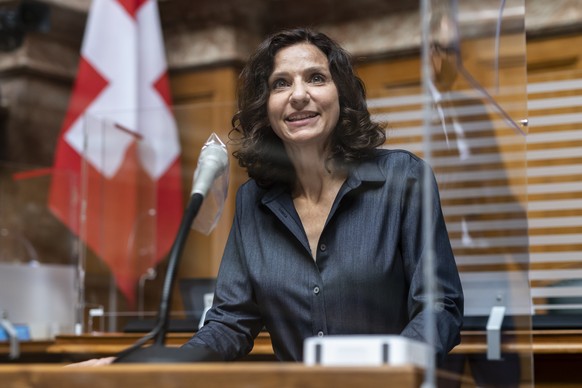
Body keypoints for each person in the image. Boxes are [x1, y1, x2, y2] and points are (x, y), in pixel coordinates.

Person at [72, 27, 463, 366]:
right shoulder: (253, 202)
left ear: (341, 95)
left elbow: (438, 306)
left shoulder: (401, 178)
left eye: (315, 78)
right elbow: (229, 324)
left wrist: (387, 371)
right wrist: (139, 364)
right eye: (281, 83)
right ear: (267, 107)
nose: (298, 96)